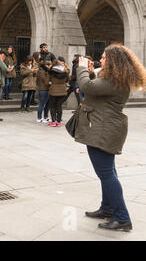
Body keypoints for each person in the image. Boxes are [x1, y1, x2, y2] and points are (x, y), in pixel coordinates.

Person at [75, 44, 146, 231]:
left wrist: (82, 68)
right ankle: (107, 208)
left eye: (105, 57)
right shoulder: (115, 79)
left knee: (106, 174)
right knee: (108, 172)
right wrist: (90, 73)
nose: (101, 59)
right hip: (105, 128)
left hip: (104, 130)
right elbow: (94, 90)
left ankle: (122, 218)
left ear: (114, 61)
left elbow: (86, 87)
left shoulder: (114, 80)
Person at [47, 56, 69, 127]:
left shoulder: (51, 71)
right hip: (63, 90)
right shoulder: (65, 70)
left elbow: (48, 80)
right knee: (59, 106)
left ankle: (53, 121)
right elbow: (68, 79)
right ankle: (58, 122)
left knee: (52, 106)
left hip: (53, 90)